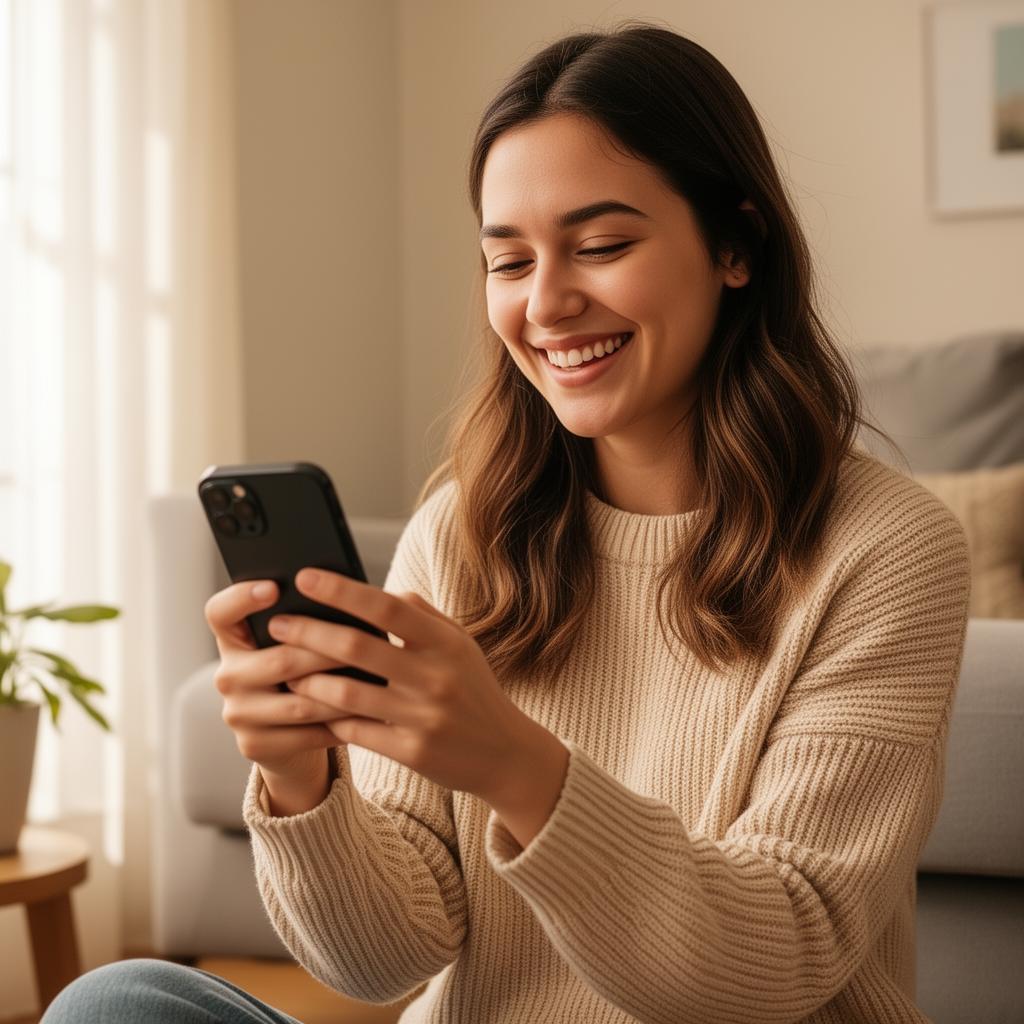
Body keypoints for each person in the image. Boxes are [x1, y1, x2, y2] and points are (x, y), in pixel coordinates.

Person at [43, 20, 970, 1024]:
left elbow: (770, 964)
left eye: (601, 246)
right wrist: (299, 779)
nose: (547, 303)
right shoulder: (463, 530)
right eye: (508, 261)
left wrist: (515, 766)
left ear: (734, 245)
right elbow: (386, 958)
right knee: (121, 1001)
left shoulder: (886, 550)